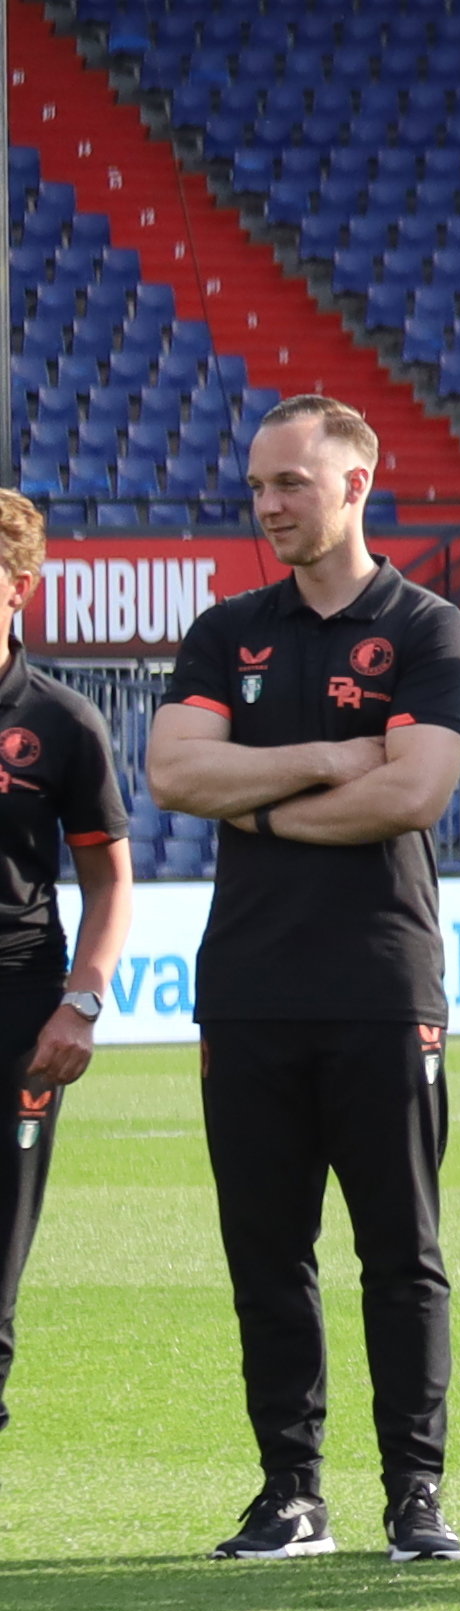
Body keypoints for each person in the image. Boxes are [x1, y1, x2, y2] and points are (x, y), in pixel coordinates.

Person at [150, 398, 460, 1562]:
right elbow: (173, 772)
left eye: (292, 482)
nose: (271, 505)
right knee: (267, 1253)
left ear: (357, 484)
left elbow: (413, 792)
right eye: (258, 487)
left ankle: (415, 1492)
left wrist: (264, 802)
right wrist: (334, 755)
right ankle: (290, 1492)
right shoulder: (226, 628)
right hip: (245, 985)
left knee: (401, 1249)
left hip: (384, 982)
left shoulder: (430, 627)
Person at [0, 498, 124, 1438]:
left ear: (20, 589)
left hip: (20, 1009)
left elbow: (108, 880)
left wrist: (79, 1004)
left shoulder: (61, 722)